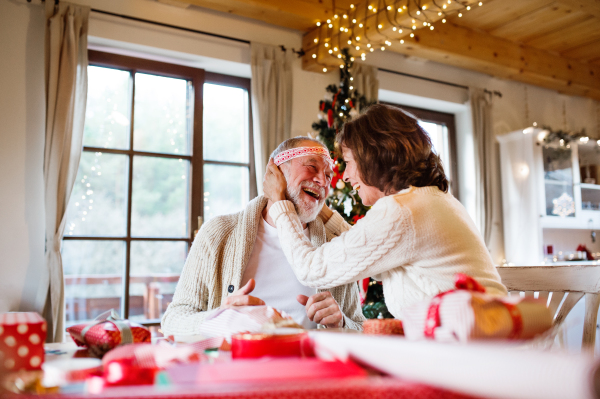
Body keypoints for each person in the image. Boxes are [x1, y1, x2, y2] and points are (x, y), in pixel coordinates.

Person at [263, 104, 507, 319]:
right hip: (482, 339)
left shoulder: (401, 212)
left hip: (480, 350)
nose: (345, 176)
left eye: (348, 162)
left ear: (371, 157)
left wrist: (280, 202)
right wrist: (319, 208)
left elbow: (310, 269)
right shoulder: (428, 200)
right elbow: (372, 247)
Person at [161, 137, 365, 337]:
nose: (322, 181)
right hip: (238, 368)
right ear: (275, 170)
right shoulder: (218, 234)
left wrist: (341, 323)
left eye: (328, 176)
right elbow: (173, 320)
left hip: (308, 367)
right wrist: (220, 318)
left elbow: (360, 328)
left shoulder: (337, 245)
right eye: (311, 167)